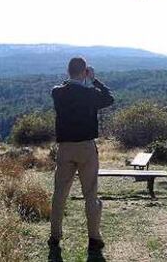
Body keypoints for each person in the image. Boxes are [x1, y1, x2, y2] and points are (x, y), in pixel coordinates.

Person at [48, 57, 114, 254]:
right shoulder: (90, 93)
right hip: (86, 147)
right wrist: (94, 80)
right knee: (91, 194)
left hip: (65, 147)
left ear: (68, 71)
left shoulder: (57, 92)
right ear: (85, 71)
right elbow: (109, 98)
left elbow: (64, 87)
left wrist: (77, 79)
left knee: (59, 193)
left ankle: (55, 236)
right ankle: (94, 238)